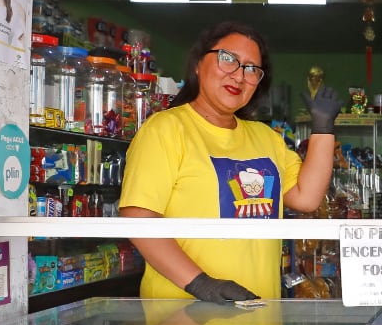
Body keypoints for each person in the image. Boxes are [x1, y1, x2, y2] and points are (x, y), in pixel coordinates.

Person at [119, 21, 342, 303]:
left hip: (258, 314)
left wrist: (323, 128)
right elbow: (138, 218)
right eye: (228, 59)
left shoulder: (265, 138)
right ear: (199, 64)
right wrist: (200, 284)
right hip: (183, 319)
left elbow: (306, 197)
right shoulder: (166, 129)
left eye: (252, 69)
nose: (239, 75)